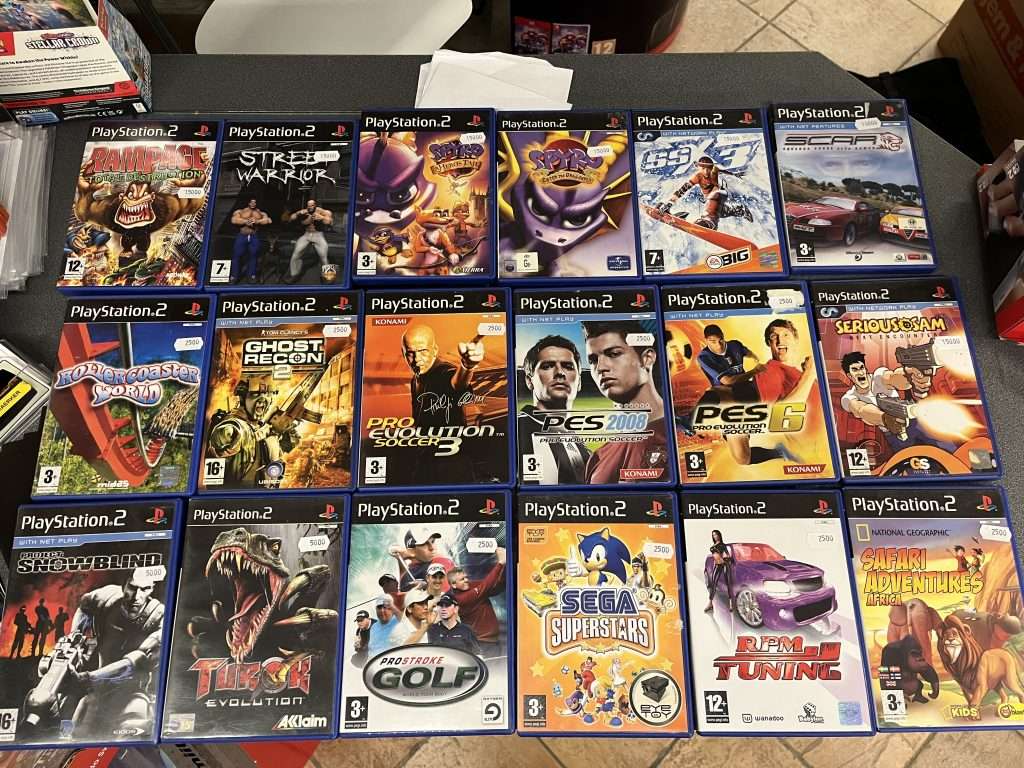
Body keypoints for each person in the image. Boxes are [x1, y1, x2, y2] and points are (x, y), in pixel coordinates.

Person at [54, 570, 164, 735]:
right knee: (67, 726)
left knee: (131, 726)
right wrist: (76, 643)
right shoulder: (107, 597)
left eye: (144, 589)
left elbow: (136, 662)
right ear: (124, 585)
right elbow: (85, 605)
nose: (136, 596)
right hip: (93, 689)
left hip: (131, 692)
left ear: (152, 588)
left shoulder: (159, 617)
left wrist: (88, 678)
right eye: (132, 587)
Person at [581, 321, 669, 484]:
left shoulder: (678, 436)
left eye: (614, 354)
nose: (600, 367)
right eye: (593, 360)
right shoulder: (598, 457)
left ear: (647, 359)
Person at [517, 335, 590, 484]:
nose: (560, 372)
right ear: (529, 381)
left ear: (579, 382)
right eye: (547, 366)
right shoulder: (513, 430)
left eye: (568, 366)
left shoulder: (580, 445)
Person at [655, 155, 752, 229]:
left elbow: (723, 171)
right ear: (699, 168)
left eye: (708, 169)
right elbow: (682, 190)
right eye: (703, 169)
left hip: (720, 193)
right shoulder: (697, 176)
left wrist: (735, 174)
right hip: (712, 201)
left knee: (714, 197)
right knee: (721, 211)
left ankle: (710, 222)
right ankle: (740, 210)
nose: (706, 172)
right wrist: (669, 203)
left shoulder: (714, 171)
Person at [446, 546, 506, 645]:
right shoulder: (460, 599)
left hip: (493, 641)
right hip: (481, 643)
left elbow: (494, 585)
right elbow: (486, 585)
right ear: (453, 585)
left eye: (466, 577)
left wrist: (504, 568)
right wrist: (500, 563)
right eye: (462, 579)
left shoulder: (470, 586)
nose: (466, 580)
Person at [389, 526, 455, 592]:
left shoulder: (439, 559)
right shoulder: (412, 571)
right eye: (424, 544)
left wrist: (407, 554)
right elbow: (403, 588)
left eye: (433, 541)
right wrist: (400, 559)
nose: (432, 548)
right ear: (412, 550)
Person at [287, 198, 333, 283]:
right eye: (308, 206)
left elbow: (329, 221)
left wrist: (322, 218)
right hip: (307, 234)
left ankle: (328, 277)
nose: (310, 207)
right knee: (296, 254)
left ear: (315, 205)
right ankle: (294, 274)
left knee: (323, 257)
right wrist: (297, 214)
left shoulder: (322, 211)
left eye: (312, 205)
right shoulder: (304, 211)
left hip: (318, 235)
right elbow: (291, 218)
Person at [230, 198, 271, 283]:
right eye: (251, 202)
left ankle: (251, 276)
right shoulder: (241, 211)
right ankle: (234, 276)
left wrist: (257, 221)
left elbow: (268, 220)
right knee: (237, 255)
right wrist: (245, 221)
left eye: (255, 202)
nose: (253, 204)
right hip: (242, 235)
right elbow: (233, 220)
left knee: (253, 255)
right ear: (248, 203)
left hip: (253, 236)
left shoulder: (261, 213)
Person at [707, 529, 734, 613]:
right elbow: (715, 556)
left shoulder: (723, 545)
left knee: (728, 583)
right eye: (713, 535)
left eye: (716, 534)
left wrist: (726, 558)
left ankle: (731, 604)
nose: (715, 536)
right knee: (713, 584)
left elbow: (727, 554)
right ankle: (710, 603)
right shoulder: (714, 545)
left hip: (724, 564)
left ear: (719, 535)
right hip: (717, 565)